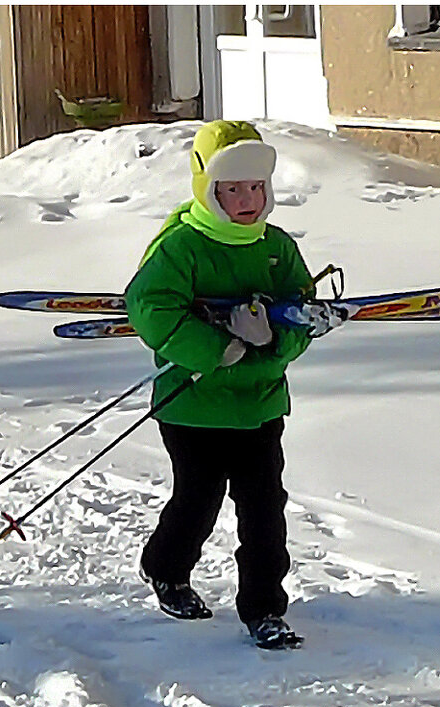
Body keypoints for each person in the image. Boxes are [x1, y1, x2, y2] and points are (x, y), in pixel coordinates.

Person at [124, 120, 314, 649]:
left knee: (263, 507)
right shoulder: (182, 246)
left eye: (256, 187)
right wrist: (219, 347)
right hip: (194, 406)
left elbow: (298, 313)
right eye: (232, 189)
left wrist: (284, 336)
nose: (247, 200)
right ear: (208, 189)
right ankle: (166, 568)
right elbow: (150, 307)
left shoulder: (275, 247)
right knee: (198, 498)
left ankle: (263, 609)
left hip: (259, 402)